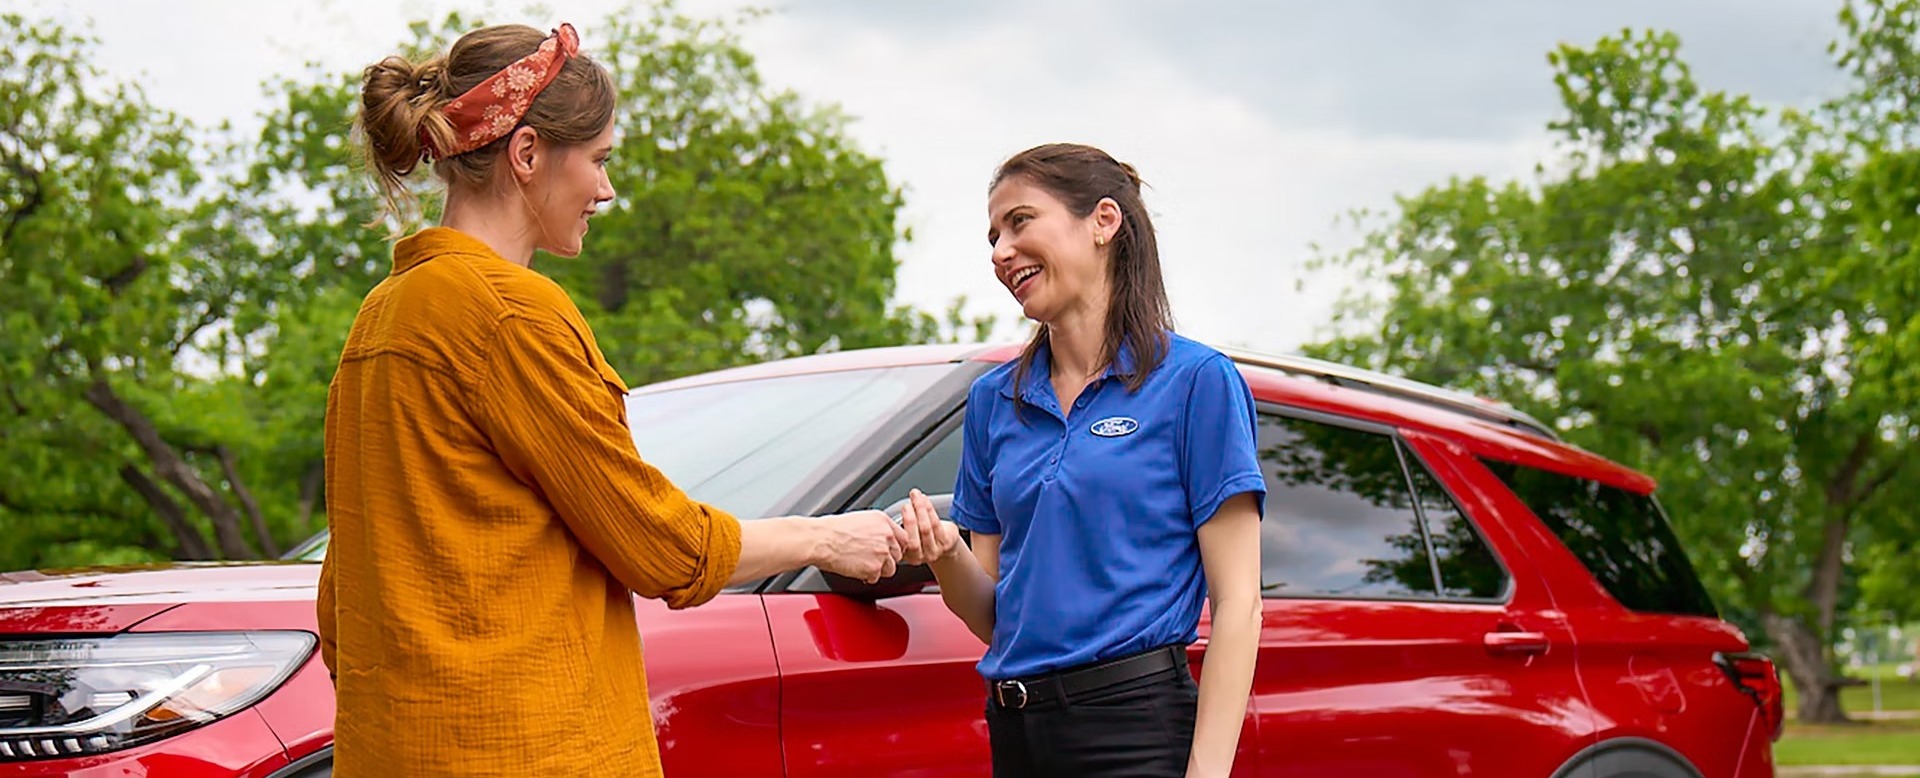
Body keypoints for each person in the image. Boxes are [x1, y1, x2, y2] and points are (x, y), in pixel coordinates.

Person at [319, 22, 904, 778]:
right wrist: (826, 540)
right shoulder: (509, 311)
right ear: (528, 155)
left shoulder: (380, 318)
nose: (605, 188)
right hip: (528, 751)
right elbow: (659, 547)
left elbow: (344, 601)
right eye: (597, 160)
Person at [898, 143, 1266, 778]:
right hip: (1016, 729)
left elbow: (1239, 603)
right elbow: (993, 617)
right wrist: (945, 552)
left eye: (1020, 221)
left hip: (1134, 728)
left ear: (1103, 221)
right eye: (992, 236)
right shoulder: (993, 401)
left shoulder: (1195, 381)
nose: (999, 252)